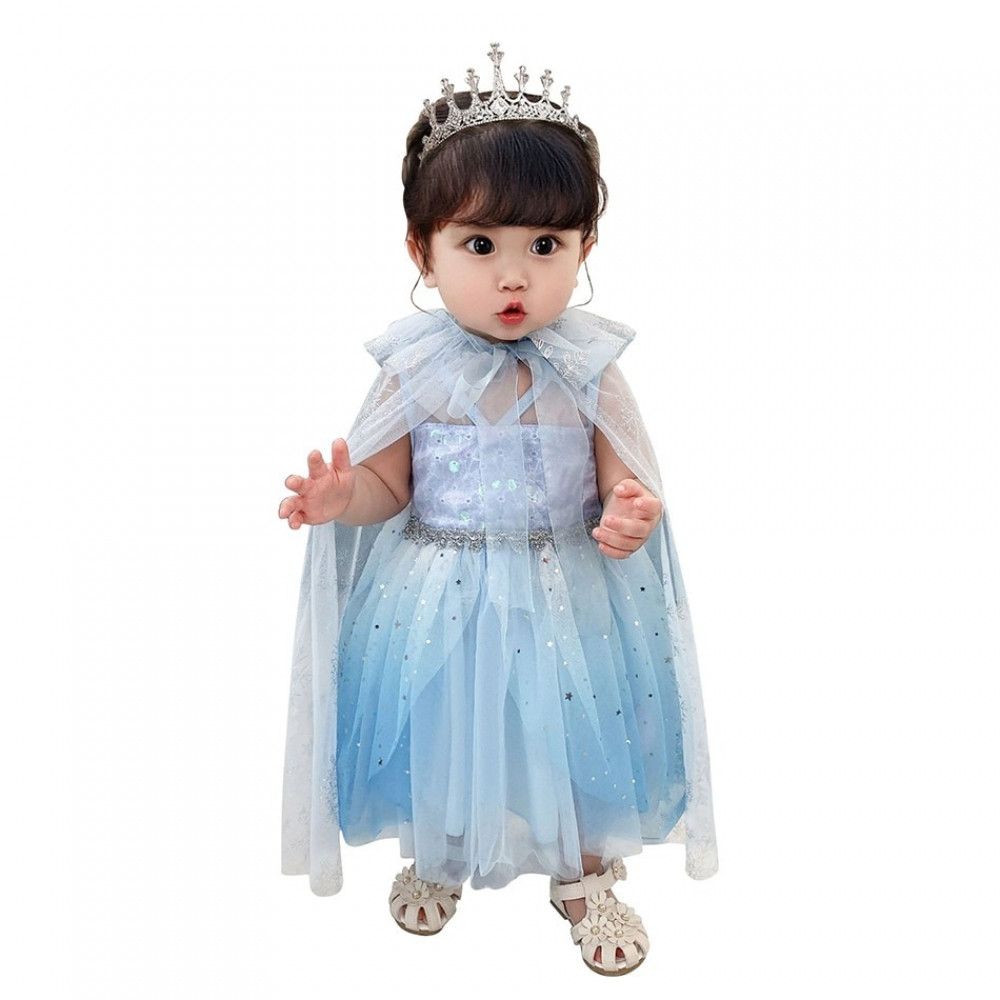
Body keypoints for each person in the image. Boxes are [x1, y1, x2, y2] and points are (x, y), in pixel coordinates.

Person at [278, 44, 717, 977]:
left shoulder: (590, 370)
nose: (514, 277)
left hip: (567, 585)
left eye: (545, 246)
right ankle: (440, 848)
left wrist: (631, 512)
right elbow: (389, 485)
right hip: (436, 590)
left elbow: (628, 478)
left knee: (568, 725)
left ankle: (584, 868)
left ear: (585, 248)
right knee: (446, 719)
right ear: (423, 251)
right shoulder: (413, 369)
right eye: (481, 246)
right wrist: (342, 496)